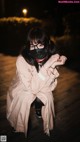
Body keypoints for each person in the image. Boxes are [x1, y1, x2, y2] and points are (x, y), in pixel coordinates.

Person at [6, 27, 67, 137]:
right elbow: (31, 88)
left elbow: (50, 87)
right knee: (26, 97)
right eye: (33, 45)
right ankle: (18, 123)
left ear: (46, 45)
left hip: (41, 86)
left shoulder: (51, 57)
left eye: (40, 45)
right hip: (24, 86)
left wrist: (55, 63)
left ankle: (38, 107)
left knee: (46, 96)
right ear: (28, 46)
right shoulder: (22, 59)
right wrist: (48, 66)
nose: (36, 49)